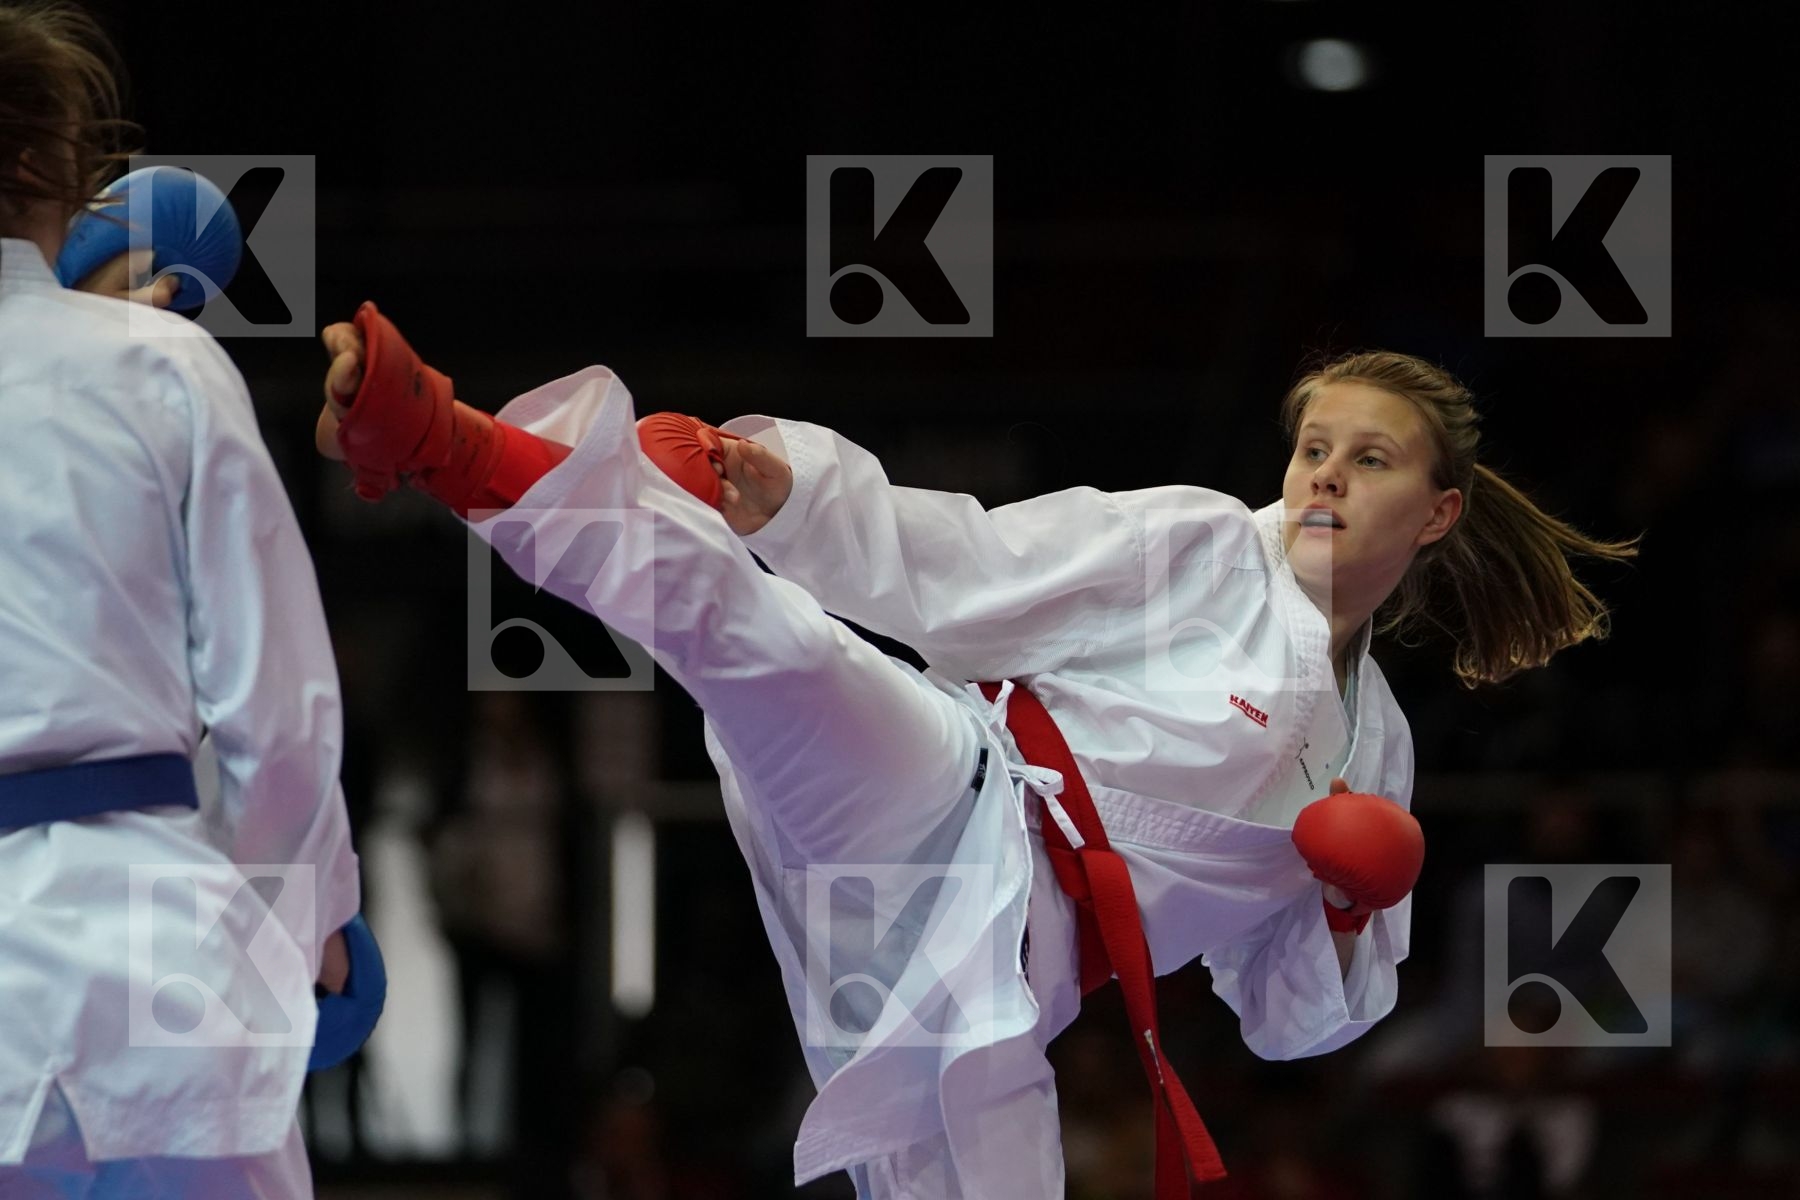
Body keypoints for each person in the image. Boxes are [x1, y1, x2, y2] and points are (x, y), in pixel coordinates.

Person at [313, 301, 1637, 1198]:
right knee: (757, 638)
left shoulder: (1375, 760)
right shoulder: (1197, 546)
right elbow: (978, 565)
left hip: (1004, 991)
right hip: (956, 799)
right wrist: (785, 497)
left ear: (1439, 511)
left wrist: (1346, 911)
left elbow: (1288, 1026)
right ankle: (441, 439)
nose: (1326, 477)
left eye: (1371, 460)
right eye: (1312, 448)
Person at [0, 4, 359, 1195]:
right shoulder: (161, 366)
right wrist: (297, 927)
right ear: (49, 163)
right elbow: (281, 725)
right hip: (153, 937)